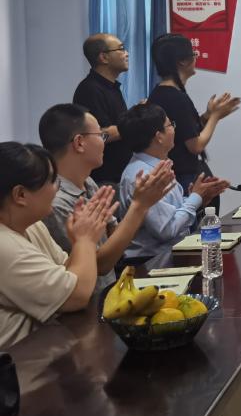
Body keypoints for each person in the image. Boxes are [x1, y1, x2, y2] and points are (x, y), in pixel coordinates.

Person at [38, 103, 176, 286]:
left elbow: (114, 238)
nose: (104, 142)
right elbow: (100, 265)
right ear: (79, 143)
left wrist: (142, 205)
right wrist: (139, 206)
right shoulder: (56, 202)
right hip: (88, 300)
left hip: (110, 289)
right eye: (101, 135)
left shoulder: (88, 182)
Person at [0, 142, 114, 349]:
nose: (57, 188)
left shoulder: (33, 226)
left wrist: (80, 241)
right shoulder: (4, 245)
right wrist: (86, 240)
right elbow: (77, 296)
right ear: (20, 195)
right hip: (19, 361)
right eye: (53, 181)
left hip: (47, 345)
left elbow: (67, 273)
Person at [118, 103, 229, 260]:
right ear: (159, 136)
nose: (174, 129)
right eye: (170, 125)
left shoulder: (157, 165)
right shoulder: (143, 175)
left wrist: (197, 198)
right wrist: (195, 198)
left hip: (168, 256)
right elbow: (167, 230)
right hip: (150, 263)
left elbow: (169, 212)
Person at [147, 33, 240, 193]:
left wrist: (208, 115)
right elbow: (195, 146)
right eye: (193, 53)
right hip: (182, 176)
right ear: (182, 61)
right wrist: (215, 117)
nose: (196, 57)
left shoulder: (162, 92)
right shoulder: (175, 97)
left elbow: (186, 131)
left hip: (177, 173)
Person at [72, 33, 132, 185]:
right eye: (121, 49)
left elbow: (117, 125)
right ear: (103, 57)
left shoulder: (112, 87)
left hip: (119, 175)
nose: (127, 53)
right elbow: (100, 134)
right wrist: (136, 121)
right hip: (104, 179)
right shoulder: (90, 90)